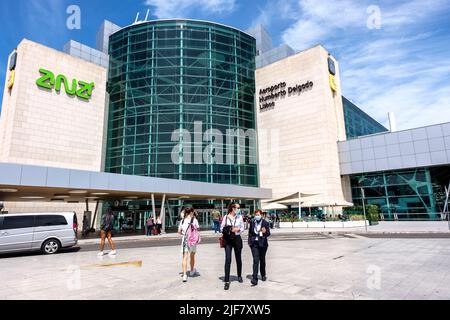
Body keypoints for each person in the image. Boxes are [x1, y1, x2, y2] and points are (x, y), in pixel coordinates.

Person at [221, 202, 245, 290]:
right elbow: (221, 228)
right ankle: (227, 281)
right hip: (228, 240)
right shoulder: (226, 217)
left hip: (237, 238)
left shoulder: (240, 217)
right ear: (233, 208)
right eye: (238, 208)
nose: (239, 209)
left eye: (239, 208)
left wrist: (238, 229)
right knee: (228, 259)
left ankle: (239, 275)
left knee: (238, 258)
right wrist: (230, 229)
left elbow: (243, 227)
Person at [248, 209, 271, 285]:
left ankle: (263, 274)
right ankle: (254, 278)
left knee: (262, 260)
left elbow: (268, 233)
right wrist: (250, 242)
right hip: (254, 243)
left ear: (261, 215)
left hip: (263, 244)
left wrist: (265, 232)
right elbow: (250, 232)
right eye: (256, 215)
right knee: (255, 260)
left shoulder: (265, 223)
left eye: (258, 215)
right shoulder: (252, 222)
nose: (257, 216)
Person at [178, 207, 200, 282]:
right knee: (192, 256)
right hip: (192, 240)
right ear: (191, 212)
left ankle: (184, 275)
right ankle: (191, 271)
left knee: (185, 257)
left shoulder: (182, 220)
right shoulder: (194, 220)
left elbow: (179, 231)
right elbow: (197, 229)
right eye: (193, 212)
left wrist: (184, 234)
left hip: (185, 239)